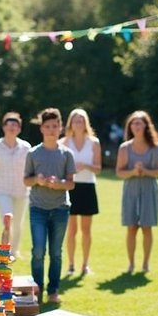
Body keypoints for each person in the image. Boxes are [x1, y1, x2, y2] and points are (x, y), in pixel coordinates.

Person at [24, 108, 75, 304]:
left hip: (61, 208)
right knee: (38, 251)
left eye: (55, 126)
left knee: (56, 252)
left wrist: (58, 184)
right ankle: (37, 290)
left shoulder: (66, 154)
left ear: (60, 127)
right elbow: (26, 180)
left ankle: (53, 290)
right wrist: (38, 179)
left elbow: (71, 184)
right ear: (42, 129)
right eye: (47, 126)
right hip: (38, 209)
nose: (52, 130)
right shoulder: (33, 153)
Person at [116, 110, 158, 274]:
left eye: (139, 123)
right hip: (130, 190)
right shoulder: (124, 148)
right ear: (130, 126)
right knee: (131, 227)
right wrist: (132, 172)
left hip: (149, 190)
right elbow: (119, 172)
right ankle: (131, 264)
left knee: (147, 227)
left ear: (146, 125)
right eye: (133, 123)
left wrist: (145, 171)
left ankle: (145, 264)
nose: (136, 126)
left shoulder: (156, 147)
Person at [0, 111, 31, 260]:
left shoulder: (26, 147)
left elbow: (31, 170)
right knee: (7, 220)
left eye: (15, 125)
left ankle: (14, 251)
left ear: (19, 129)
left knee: (18, 224)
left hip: (22, 191)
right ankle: (5, 251)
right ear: (3, 127)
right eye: (9, 124)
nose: (12, 127)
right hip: (2, 191)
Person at [61, 108, 101, 275]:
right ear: (71, 123)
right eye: (75, 120)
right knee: (71, 230)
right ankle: (70, 265)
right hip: (70, 187)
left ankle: (85, 265)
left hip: (87, 187)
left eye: (81, 120)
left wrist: (85, 166)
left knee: (86, 230)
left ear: (86, 123)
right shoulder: (63, 142)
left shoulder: (94, 142)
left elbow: (98, 168)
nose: (78, 123)